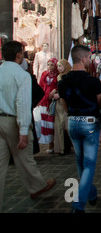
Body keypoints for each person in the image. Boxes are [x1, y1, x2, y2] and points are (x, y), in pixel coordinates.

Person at [0, 41, 56, 212]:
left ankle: (36, 185)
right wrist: (24, 130)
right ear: (19, 55)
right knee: (25, 158)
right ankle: (36, 186)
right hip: (13, 121)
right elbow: (22, 104)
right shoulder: (22, 75)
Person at [58, 44, 101, 213]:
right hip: (90, 123)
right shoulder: (92, 81)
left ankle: (91, 193)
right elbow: (99, 103)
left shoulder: (63, 81)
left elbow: (64, 106)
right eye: (89, 58)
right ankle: (78, 204)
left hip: (72, 122)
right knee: (89, 164)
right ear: (84, 58)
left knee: (80, 162)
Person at [36, 57, 59, 152]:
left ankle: (52, 145)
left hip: (53, 102)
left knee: (51, 123)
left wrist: (54, 92)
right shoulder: (44, 74)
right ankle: (44, 144)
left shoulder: (58, 75)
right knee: (43, 122)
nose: (49, 67)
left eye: (52, 65)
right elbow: (40, 86)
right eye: (48, 64)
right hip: (44, 100)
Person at [52, 59, 72, 155]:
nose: (58, 68)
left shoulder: (68, 76)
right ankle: (62, 147)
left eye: (60, 66)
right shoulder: (58, 76)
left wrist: (60, 94)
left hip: (66, 103)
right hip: (60, 104)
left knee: (66, 126)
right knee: (60, 125)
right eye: (58, 66)